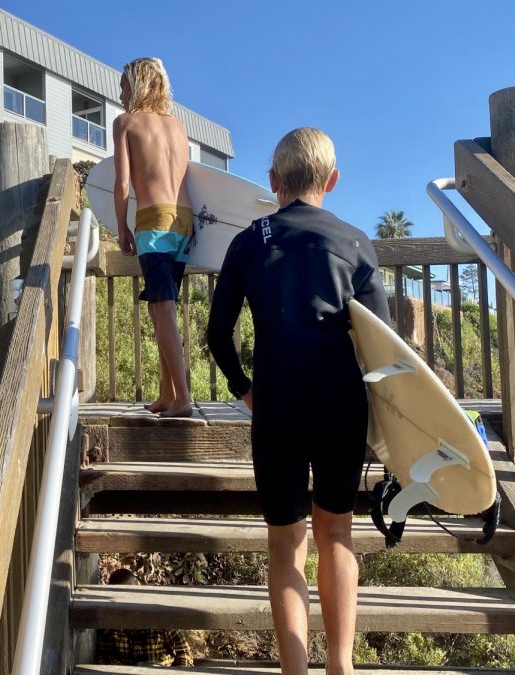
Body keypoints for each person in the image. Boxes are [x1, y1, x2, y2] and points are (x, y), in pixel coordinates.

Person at [207, 128, 391, 675]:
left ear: (273, 181)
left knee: (287, 544)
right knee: (336, 532)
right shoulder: (356, 241)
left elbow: (219, 335)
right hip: (340, 403)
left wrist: (246, 390)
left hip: (279, 405)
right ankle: (341, 666)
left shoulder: (248, 241)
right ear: (331, 181)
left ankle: (295, 670)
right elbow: (385, 343)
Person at [113, 57, 193, 417]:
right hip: (185, 221)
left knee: (163, 309)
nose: (119, 91)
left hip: (153, 222)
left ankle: (184, 399)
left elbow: (123, 185)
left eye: (123, 84)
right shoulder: (178, 127)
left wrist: (121, 226)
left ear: (138, 84)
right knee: (161, 305)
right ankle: (166, 393)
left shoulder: (126, 123)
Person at [95, 568, 194, 667]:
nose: (131, 596)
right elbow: (104, 657)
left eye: (133, 589)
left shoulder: (160, 617)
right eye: (125, 594)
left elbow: (184, 652)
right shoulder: (111, 626)